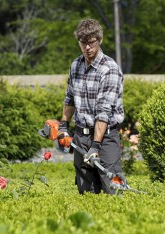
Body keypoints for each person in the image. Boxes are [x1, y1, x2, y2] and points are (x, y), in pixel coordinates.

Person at [59, 18, 125, 195]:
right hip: (81, 136)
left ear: (100, 40)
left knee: (113, 189)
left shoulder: (109, 68)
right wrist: (63, 126)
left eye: (91, 43)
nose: (87, 47)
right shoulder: (76, 65)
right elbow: (70, 98)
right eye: (83, 43)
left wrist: (95, 146)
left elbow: (104, 111)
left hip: (105, 139)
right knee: (86, 192)